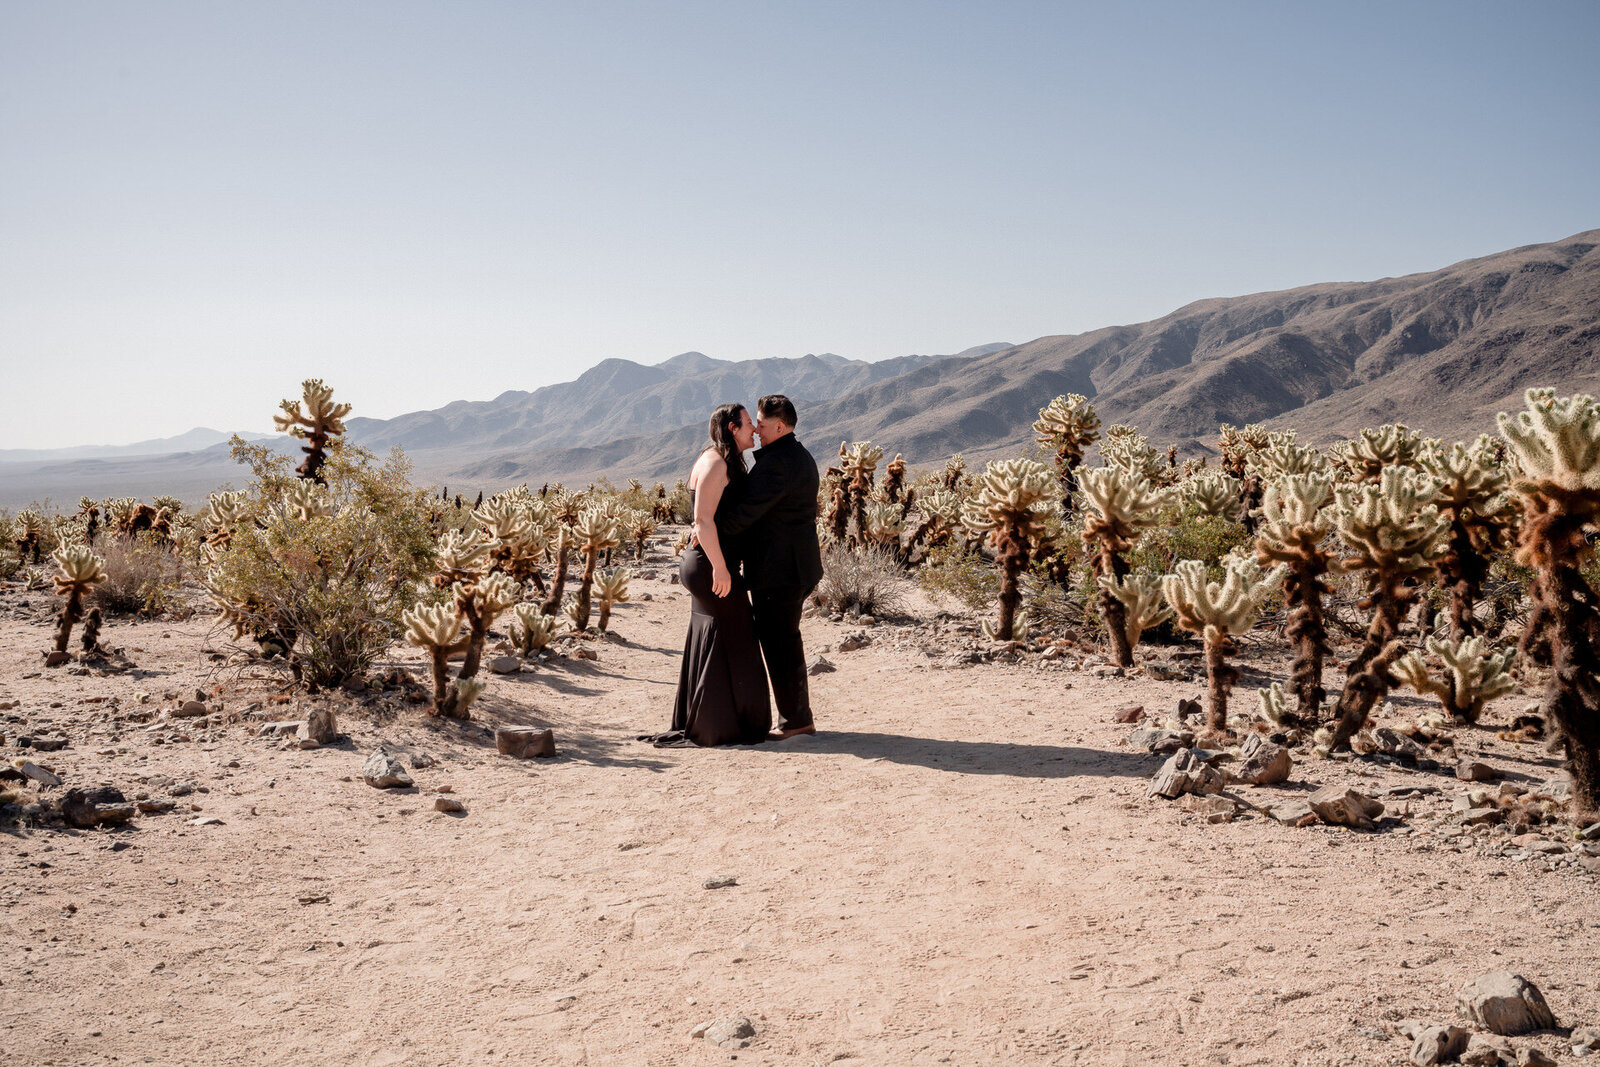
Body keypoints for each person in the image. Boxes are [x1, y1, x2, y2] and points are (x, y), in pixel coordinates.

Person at [640, 403, 772, 747]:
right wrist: (721, 567)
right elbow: (702, 520)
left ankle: (713, 722)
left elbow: (707, 516)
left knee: (721, 636)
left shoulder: (718, 459)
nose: (754, 430)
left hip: (707, 562)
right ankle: (719, 727)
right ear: (732, 428)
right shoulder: (715, 462)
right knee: (738, 636)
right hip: (711, 566)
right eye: (747, 424)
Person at [718, 394, 823, 739]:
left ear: (779, 426)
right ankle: (796, 718)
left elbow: (748, 512)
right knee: (784, 640)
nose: (757, 431)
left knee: (780, 642)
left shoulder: (779, 462)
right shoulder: (795, 455)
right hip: (791, 567)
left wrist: (706, 529)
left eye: (761, 425)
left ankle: (796, 721)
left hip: (781, 570)